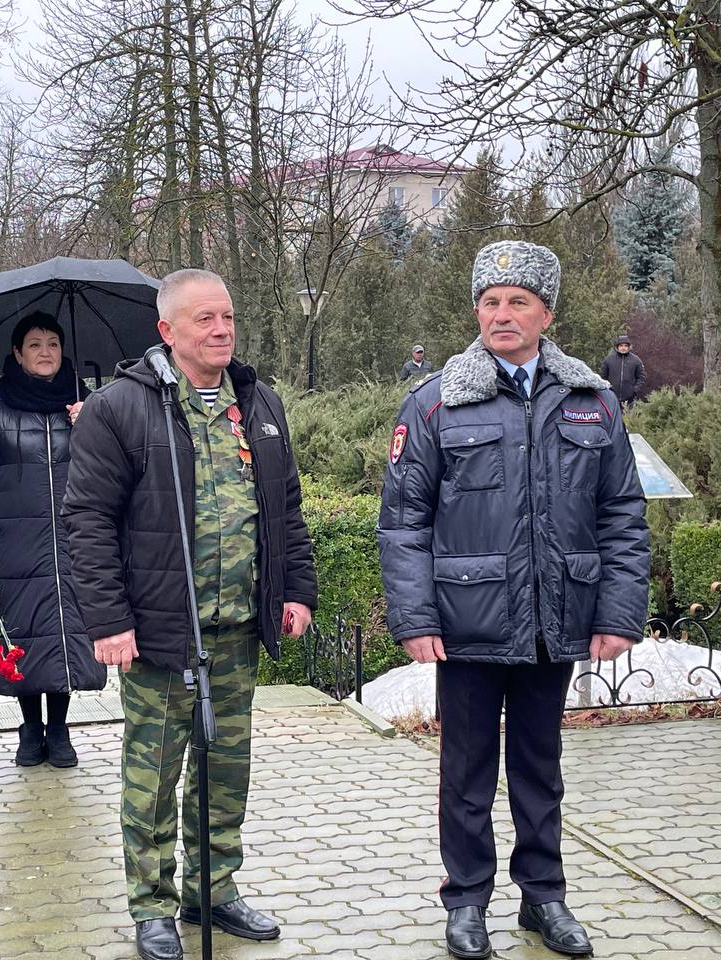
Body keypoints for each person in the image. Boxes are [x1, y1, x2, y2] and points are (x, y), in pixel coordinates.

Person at [377, 241, 650, 959]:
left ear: (545, 313)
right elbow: (403, 522)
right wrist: (415, 617)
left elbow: (622, 514)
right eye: (490, 301)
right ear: (477, 311)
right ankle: (466, 901)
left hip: (555, 621)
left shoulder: (592, 401)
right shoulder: (435, 401)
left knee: (539, 768)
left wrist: (618, 612)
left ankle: (543, 898)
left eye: (518, 302)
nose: (502, 314)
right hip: (467, 623)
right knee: (466, 774)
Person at [62, 268, 318, 960]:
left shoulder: (258, 402)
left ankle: (214, 888)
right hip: (160, 632)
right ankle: (152, 905)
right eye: (204, 319)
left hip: (237, 627)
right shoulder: (122, 408)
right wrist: (108, 621)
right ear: (167, 330)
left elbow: (286, 509)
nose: (221, 330)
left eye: (227, 317)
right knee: (154, 774)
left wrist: (295, 590)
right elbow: (87, 522)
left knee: (225, 767)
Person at [0, 313, 106, 768]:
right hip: (13, 544)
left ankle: (59, 728)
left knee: (67, 633)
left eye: (53, 343)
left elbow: (118, 464)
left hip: (76, 541)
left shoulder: (86, 403)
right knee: (22, 633)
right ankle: (30, 727)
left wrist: (92, 426)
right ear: (17, 354)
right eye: (34, 344)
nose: (45, 351)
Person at [599, 335, 646, 405]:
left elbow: (641, 377)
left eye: (625, 346)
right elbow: (602, 377)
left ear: (629, 347)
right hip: (611, 398)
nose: (623, 348)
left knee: (629, 412)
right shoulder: (609, 359)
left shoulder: (636, 360)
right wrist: (608, 390)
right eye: (621, 346)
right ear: (617, 347)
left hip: (630, 400)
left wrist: (634, 390)